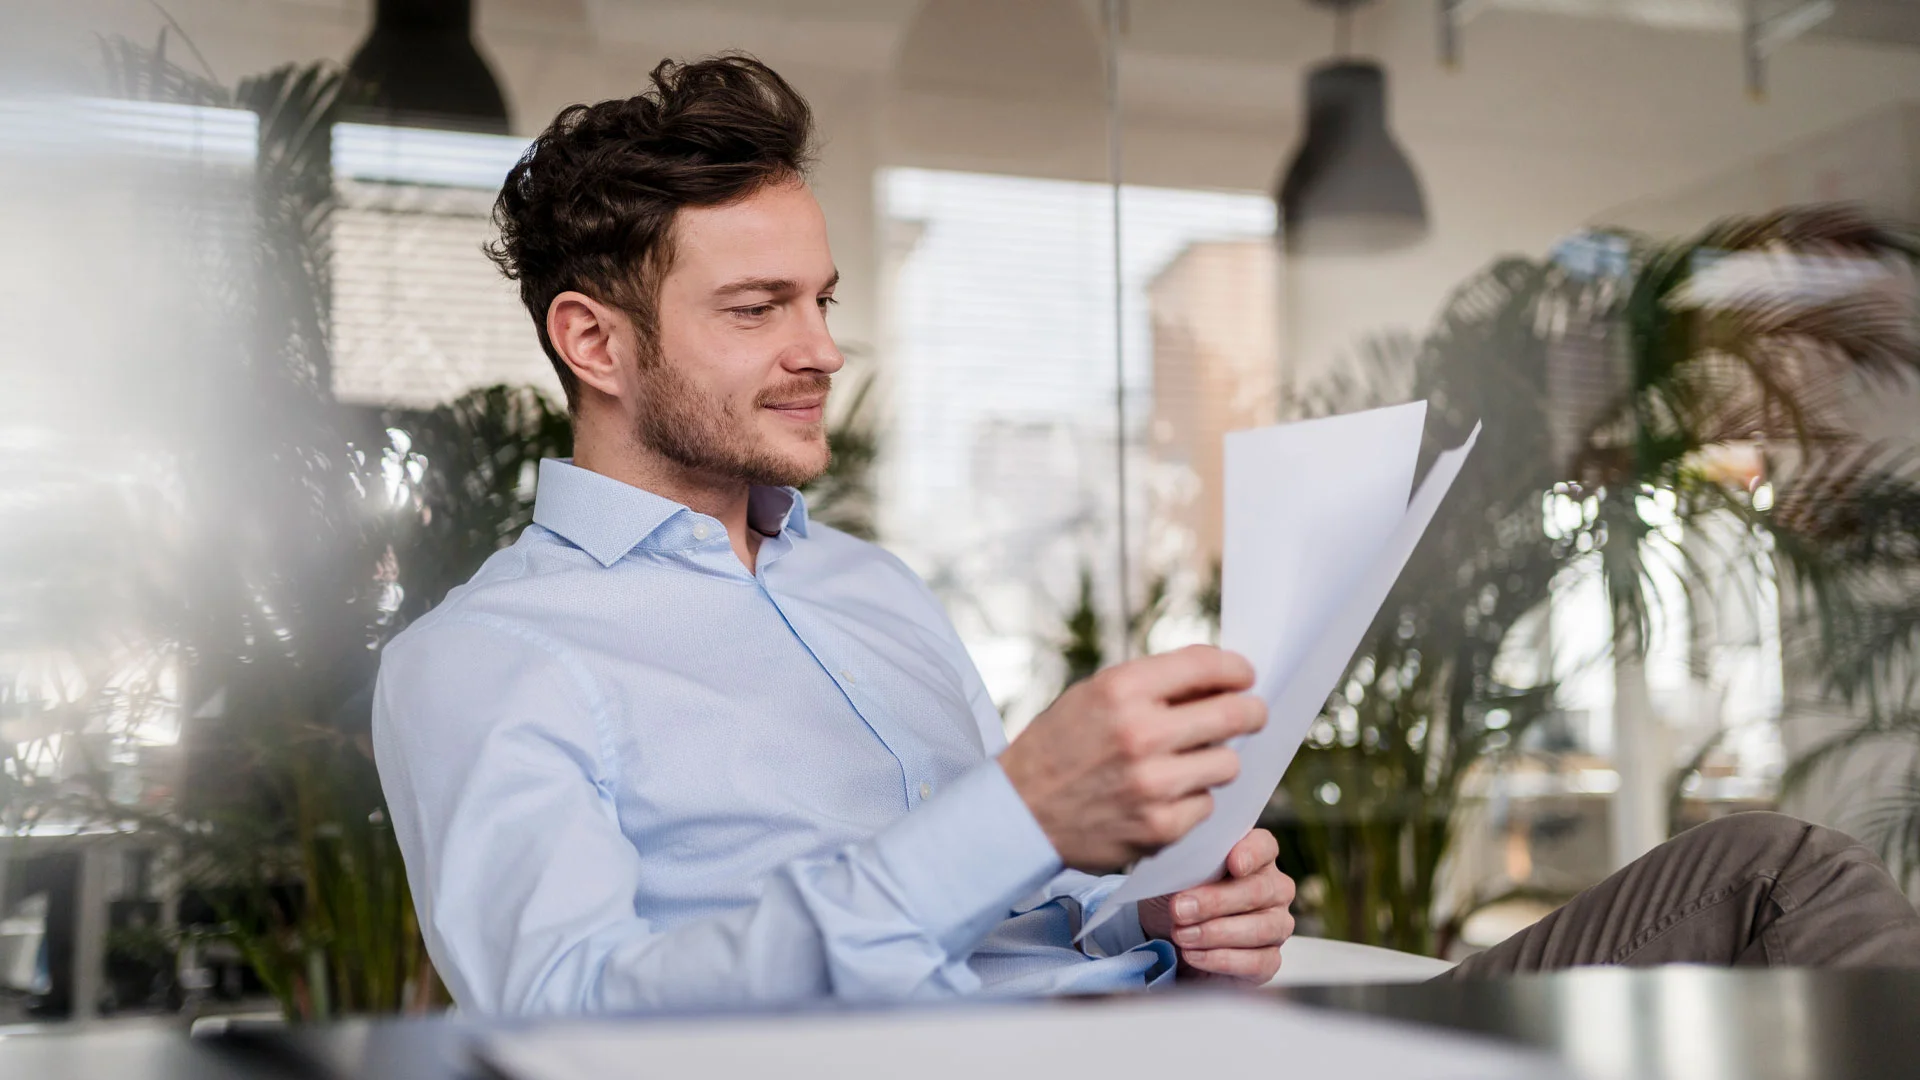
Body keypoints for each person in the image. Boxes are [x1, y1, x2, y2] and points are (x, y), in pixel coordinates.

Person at [371, 55, 1920, 1018]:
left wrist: (1161, 911)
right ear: (595, 339)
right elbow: (569, 1020)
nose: (822, 347)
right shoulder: (487, 662)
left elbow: (1023, 914)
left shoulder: (867, 593)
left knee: (1767, 874)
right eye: (757, 306)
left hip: (1202, 1027)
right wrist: (1014, 813)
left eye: (824, 298)